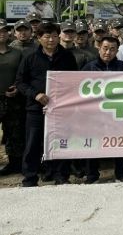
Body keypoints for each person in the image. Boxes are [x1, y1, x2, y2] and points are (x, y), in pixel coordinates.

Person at [16, 22, 78, 187]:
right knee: (32, 144)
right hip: (35, 109)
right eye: (47, 36)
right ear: (39, 38)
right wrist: (35, 95)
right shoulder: (30, 57)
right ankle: (30, 178)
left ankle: (61, 176)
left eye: (55, 36)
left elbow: (74, 81)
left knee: (61, 142)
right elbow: (20, 82)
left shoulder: (67, 57)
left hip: (61, 108)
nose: (51, 40)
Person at [81, 36, 123, 182]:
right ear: (99, 48)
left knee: (120, 142)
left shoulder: (122, 66)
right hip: (95, 114)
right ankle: (92, 176)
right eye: (105, 48)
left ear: (117, 51)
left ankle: (120, 174)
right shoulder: (89, 67)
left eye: (112, 49)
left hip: (116, 112)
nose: (108, 52)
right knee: (93, 144)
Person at [0, 20, 24, 175]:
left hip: (12, 100)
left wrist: (17, 86)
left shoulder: (16, 53)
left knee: (12, 133)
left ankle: (14, 164)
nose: (2, 34)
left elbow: (21, 74)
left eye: (4, 30)